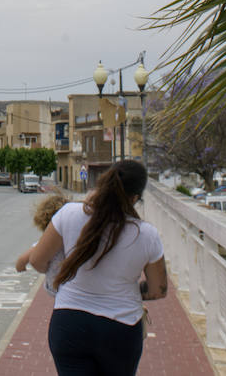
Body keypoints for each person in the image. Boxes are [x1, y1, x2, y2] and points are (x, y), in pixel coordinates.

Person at [25, 159, 167, 376]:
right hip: (120, 328)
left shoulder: (69, 213)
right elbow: (159, 289)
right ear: (135, 197)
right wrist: (130, 290)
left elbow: (36, 261)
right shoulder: (146, 234)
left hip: (69, 324)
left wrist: (61, 277)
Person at [15, 192, 68, 294]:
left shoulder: (45, 243)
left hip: (55, 287)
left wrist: (21, 266)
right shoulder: (73, 237)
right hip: (73, 286)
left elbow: (23, 260)